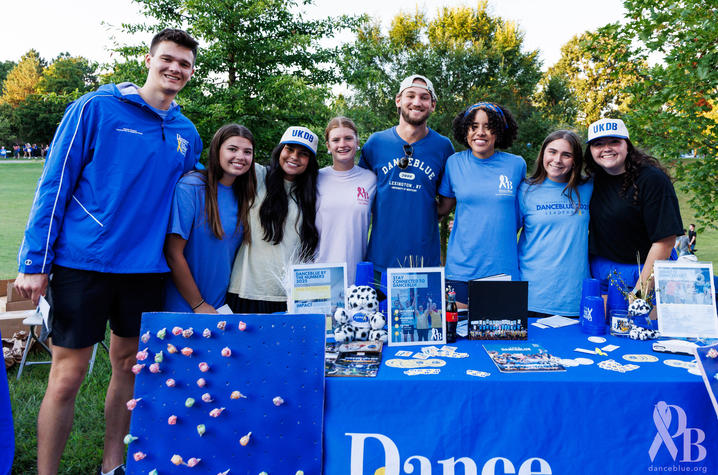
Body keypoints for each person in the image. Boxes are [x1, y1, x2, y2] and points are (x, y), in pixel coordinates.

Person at [13, 28, 201, 475]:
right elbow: (54, 184)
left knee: (128, 368)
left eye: (185, 64)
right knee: (68, 375)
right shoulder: (96, 107)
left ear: (192, 73)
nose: (175, 69)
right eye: (168, 59)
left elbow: (196, 187)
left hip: (145, 269)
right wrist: (34, 263)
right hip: (85, 263)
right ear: (150, 59)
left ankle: (112, 464)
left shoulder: (185, 131)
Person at [359, 75, 454, 276]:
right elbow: (362, 195)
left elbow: (447, 201)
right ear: (398, 100)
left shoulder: (443, 147)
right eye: (410, 95)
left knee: (425, 309)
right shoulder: (376, 143)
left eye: (424, 97)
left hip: (424, 263)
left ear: (433, 105)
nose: (417, 102)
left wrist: (422, 214)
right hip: (380, 260)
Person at [437, 102, 524, 304]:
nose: (481, 132)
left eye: (488, 126)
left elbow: (521, 215)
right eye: (474, 126)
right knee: (457, 332)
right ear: (465, 130)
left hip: (503, 271)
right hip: (461, 270)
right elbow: (443, 208)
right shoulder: (454, 163)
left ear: (500, 131)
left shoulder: (516, 164)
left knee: (503, 334)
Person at [164, 124, 257, 313]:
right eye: (232, 149)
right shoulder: (192, 186)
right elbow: (173, 253)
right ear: (217, 150)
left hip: (221, 307)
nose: (240, 156)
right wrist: (198, 304)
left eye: (247, 152)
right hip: (186, 306)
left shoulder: (245, 195)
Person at [226, 126, 320, 313]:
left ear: (310, 161)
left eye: (303, 154)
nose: (294, 156)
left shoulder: (312, 193)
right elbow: (232, 159)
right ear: (280, 150)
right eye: (289, 149)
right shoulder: (258, 176)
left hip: (292, 297)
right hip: (248, 292)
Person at [585, 118, 682, 297]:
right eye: (598, 144)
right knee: (604, 325)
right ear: (590, 150)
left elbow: (665, 241)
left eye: (614, 141)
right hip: (602, 271)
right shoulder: (592, 179)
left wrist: (640, 292)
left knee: (645, 324)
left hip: (645, 273)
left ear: (627, 145)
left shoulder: (652, 179)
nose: (606, 148)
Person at [517, 130, 593, 317]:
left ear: (575, 160)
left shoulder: (589, 188)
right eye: (552, 152)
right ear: (543, 153)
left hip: (576, 298)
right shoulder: (525, 190)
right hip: (532, 297)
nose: (557, 160)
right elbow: (504, 235)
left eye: (566, 155)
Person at [315, 117, 376, 285]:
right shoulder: (315, 178)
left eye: (348, 138)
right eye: (336, 140)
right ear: (328, 146)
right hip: (318, 273)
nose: (342, 144)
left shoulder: (370, 179)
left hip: (357, 275)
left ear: (357, 142)